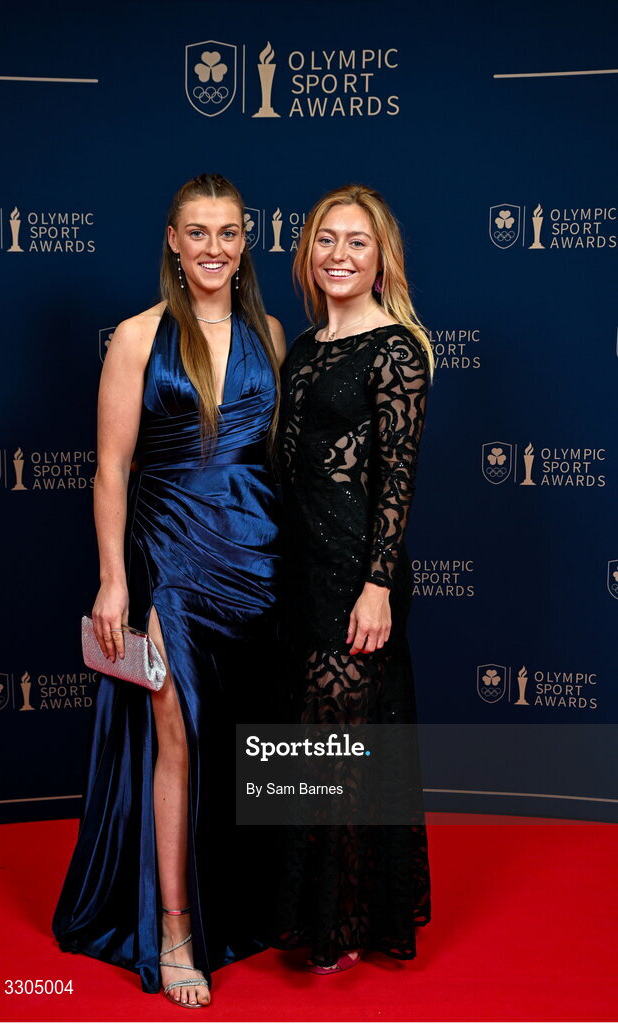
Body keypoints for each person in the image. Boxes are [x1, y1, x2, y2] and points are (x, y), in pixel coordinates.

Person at [53, 173, 286, 1008]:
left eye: (228, 232)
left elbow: (274, 463)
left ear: (245, 240)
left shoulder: (271, 334)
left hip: (257, 562)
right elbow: (112, 466)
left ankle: (246, 900)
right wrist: (115, 581)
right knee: (175, 734)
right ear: (172, 241)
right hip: (171, 564)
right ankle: (176, 926)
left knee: (237, 738)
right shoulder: (137, 337)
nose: (213, 248)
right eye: (198, 232)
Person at [276, 184, 432, 973]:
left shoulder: (397, 350)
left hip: (355, 575)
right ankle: (318, 915)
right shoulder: (301, 348)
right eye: (326, 240)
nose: (340, 254)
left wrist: (377, 584)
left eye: (357, 242)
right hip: (296, 573)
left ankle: (340, 929)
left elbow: (398, 478)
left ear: (381, 260)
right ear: (308, 253)